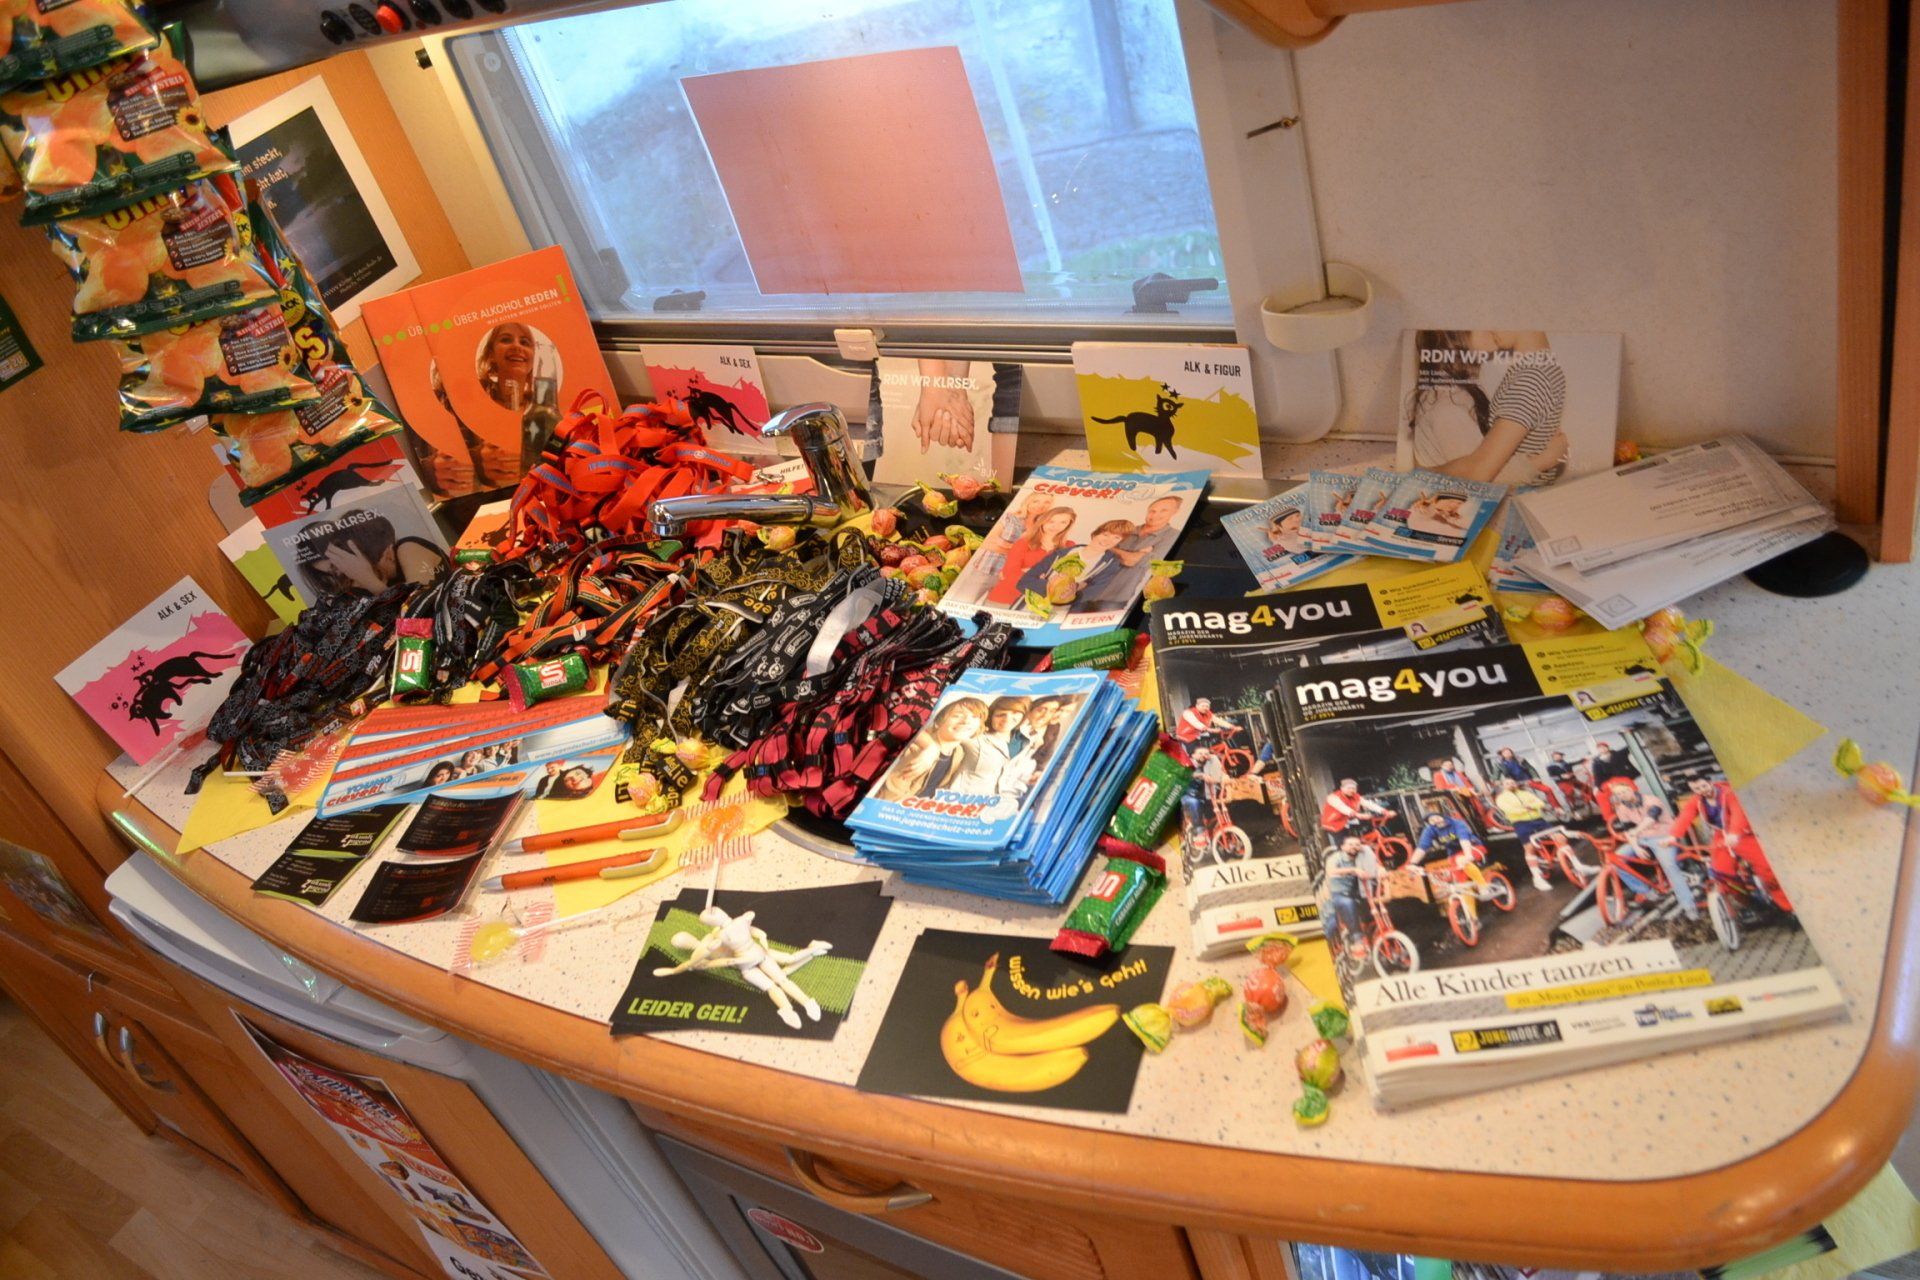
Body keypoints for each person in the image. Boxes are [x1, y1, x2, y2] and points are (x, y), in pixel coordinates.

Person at [1409, 329, 1572, 486]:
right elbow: (1478, 474)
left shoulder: (1530, 379)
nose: (1490, 325)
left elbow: (1480, 472)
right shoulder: (1447, 406)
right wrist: (1542, 461)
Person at [1671, 775, 1791, 913]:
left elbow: (1738, 813)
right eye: (1697, 789)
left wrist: (1735, 833)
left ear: (1710, 782)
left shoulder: (1728, 793)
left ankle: (1787, 906)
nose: (1702, 790)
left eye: (1703, 786)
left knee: (1767, 870)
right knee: (1721, 871)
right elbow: (1686, 815)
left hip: (1742, 833)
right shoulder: (1697, 800)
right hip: (1721, 835)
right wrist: (1673, 836)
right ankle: (1751, 903)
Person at [1609, 788, 1699, 920]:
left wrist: (1636, 831)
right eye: (1618, 794)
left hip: (1662, 836)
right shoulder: (1622, 808)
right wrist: (1636, 847)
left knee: (1669, 866)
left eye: (1624, 791)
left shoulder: (1651, 801)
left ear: (1632, 790)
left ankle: (1689, 906)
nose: (1622, 795)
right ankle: (1646, 892)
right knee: (1616, 860)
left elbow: (1650, 819)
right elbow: (1628, 830)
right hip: (1641, 839)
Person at [877, 697, 987, 801]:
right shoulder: (918, 748)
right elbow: (891, 794)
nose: (966, 721)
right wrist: (929, 746)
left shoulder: (959, 752)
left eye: (974, 717)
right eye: (956, 716)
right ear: (939, 722)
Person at [987, 507, 1076, 607]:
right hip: (1006, 598)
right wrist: (1044, 579)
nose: (1055, 526)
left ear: (1069, 524)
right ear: (1043, 521)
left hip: (1040, 604)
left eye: (1063, 522)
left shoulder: (1070, 546)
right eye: (1051, 521)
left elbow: (1067, 576)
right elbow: (1009, 573)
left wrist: (1030, 572)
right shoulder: (1024, 543)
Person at [1412, 808, 1490, 919]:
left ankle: (1483, 886)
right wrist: (1412, 863)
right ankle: (1473, 918)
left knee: (1461, 860)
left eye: (1436, 817)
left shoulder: (1457, 823)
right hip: (1454, 853)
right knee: (1462, 886)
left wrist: (1467, 855)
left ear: (1442, 816)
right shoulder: (1430, 830)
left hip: (1473, 847)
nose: (1435, 820)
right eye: (1431, 820)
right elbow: (1422, 847)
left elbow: (1464, 840)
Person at [1105, 495, 1186, 600]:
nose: (1155, 515)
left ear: (1175, 512)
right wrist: (1137, 554)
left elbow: (1136, 561)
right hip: (1096, 587)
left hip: (1124, 596)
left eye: (1164, 511)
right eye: (1152, 511)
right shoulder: (1127, 530)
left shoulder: (1174, 536)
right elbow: (1100, 552)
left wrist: (1112, 549)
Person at [947, 696, 1031, 795]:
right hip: (963, 798)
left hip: (1002, 801)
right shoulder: (975, 736)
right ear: (991, 716)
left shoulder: (1025, 741)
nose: (1007, 719)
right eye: (1000, 715)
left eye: (1015, 713)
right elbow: (940, 733)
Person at [973, 491, 1054, 591]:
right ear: (1028, 502)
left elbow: (1034, 555)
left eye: (1047, 502)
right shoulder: (1010, 517)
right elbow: (986, 543)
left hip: (1012, 577)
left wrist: (1009, 547)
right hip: (986, 569)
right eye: (1036, 501)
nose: (1040, 505)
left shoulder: (1043, 528)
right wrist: (1017, 552)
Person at [1061, 519, 1142, 614]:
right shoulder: (1070, 551)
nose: (1108, 540)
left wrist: (1074, 593)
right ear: (1095, 534)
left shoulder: (1110, 563)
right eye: (1105, 535)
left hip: (1075, 605)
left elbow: (1092, 589)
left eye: (1116, 538)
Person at [1322, 833, 1383, 958]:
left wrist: (1381, 869)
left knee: (1377, 904)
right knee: (1347, 905)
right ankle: (1357, 939)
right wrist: (1353, 870)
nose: (1354, 847)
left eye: (1357, 844)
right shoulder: (1335, 858)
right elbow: (1331, 871)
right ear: (1343, 847)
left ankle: (1378, 933)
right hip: (1339, 894)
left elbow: (1374, 865)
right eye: (1350, 844)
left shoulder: (1362, 856)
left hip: (1358, 892)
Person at [1495, 779, 1558, 890]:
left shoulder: (1526, 793)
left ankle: (1576, 864)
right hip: (1521, 823)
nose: (1511, 784)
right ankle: (1537, 878)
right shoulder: (1501, 798)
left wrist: (1532, 806)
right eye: (1507, 783)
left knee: (1559, 837)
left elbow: (1540, 803)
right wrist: (1527, 808)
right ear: (1503, 786)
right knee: (1529, 847)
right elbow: (1510, 810)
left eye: (1513, 782)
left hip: (1538, 820)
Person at [1589, 742, 1642, 823]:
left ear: (1608, 747)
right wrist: (1596, 787)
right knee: (1600, 795)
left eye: (1604, 747)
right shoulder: (1596, 762)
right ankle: (1610, 818)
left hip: (1622, 777)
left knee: (1630, 790)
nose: (1602, 749)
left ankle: (1639, 808)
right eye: (1600, 748)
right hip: (1608, 781)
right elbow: (1597, 775)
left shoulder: (1618, 754)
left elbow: (1630, 745)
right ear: (1598, 750)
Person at [1320, 778, 1390, 835]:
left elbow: (1368, 804)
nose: (1351, 790)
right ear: (1341, 788)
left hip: (1348, 821)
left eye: (1353, 788)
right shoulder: (1333, 797)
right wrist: (1358, 815)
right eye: (1349, 788)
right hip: (1334, 824)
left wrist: (1384, 811)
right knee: (1345, 844)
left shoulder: (1356, 796)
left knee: (1370, 828)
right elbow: (1343, 808)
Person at [533, 761, 598, 800]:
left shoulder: (561, 779)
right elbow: (537, 794)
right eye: (547, 769)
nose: (549, 770)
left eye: (552, 767)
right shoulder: (543, 780)